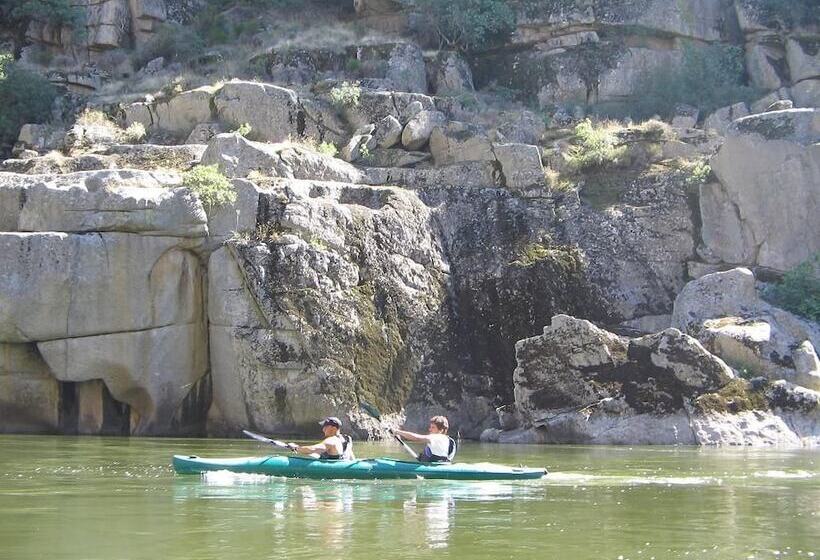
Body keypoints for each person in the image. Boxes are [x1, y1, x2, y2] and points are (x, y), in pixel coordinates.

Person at [289, 417, 355, 461]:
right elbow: (351, 458)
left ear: (333, 428)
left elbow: (313, 449)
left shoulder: (332, 440)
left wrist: (296, 448)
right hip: (343, 466)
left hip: (333, 471)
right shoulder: (347, 439)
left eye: (325, 427)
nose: (323, 429)